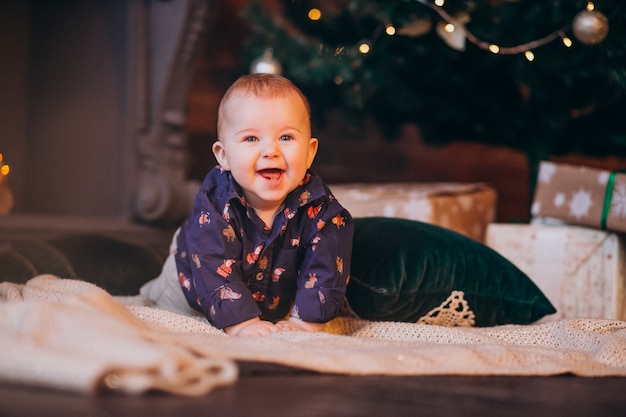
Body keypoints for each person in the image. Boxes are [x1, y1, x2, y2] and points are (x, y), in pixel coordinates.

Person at [141, 74, 353, 337]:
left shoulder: (322, 211)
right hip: (191, 278)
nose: (270, 151)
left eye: (286, 137)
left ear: (310, 152)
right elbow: (212, 262)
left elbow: (326, 268)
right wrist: (242, 323)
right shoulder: (215, 206)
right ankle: (152, 291)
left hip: (269, 294)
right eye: (251, 139)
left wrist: (305, 321)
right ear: (224, 156)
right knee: (166, 309)